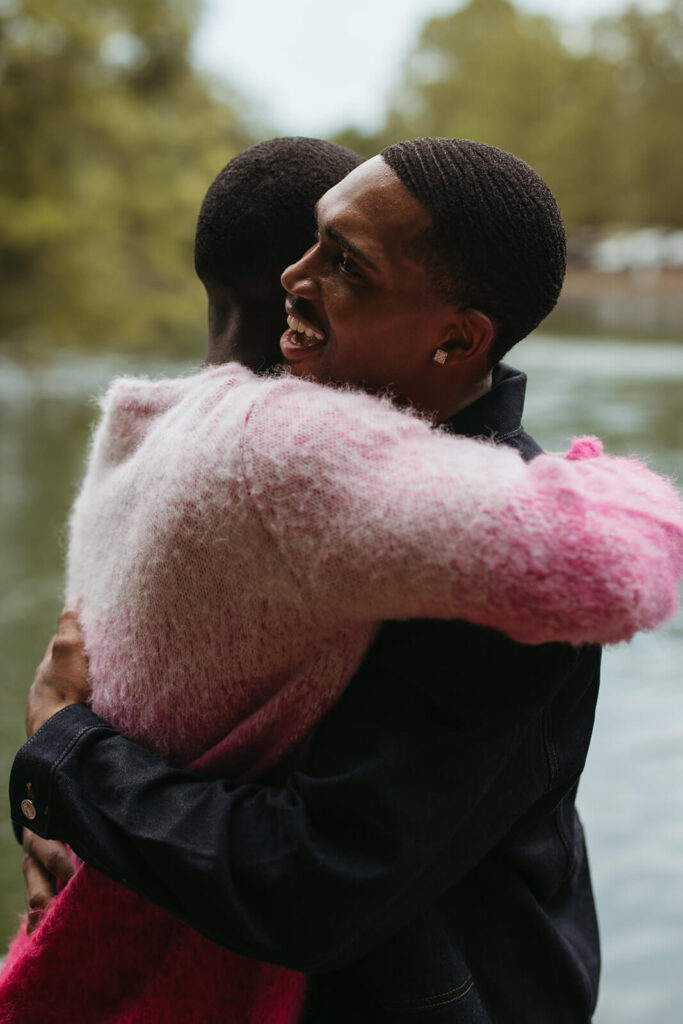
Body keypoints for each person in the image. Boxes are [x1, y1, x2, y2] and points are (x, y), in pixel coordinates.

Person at [8, 136, 683, 1024]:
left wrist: (66, 756)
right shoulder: (264, 471)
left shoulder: (498, 568)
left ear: (455, 338)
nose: (298, 275)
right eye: (311, 244)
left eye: (346, 266)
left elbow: (311, 884)